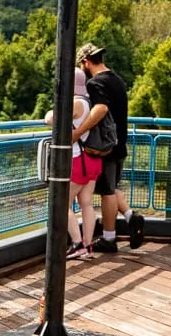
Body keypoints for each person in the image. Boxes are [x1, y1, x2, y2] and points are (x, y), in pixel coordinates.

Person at [72, 42, 145, 252]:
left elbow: (101, 109)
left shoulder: (96, 84)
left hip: (106, 146)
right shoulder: (118, 80)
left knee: (107, 192)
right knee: (111, 187)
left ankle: (109, 239)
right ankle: (132, 216)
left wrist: (77, 132)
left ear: (86, 61)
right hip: (120, 142)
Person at [44, 68, 101, 259]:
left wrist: (50, 112)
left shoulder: (75, 103)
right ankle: (88, 244)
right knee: (86, 203)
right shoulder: (88, 101)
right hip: (92, 159)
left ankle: (77, 244)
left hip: (78, 161)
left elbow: (53, 119)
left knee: (62, 204)